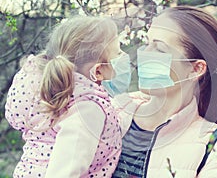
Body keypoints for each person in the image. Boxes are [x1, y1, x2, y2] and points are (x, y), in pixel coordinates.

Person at [112, 6, 217, 178]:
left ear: (196, 69)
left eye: (159, 49)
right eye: (147, 44)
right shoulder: (113, 111)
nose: (145, 53)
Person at [5, 16, 131, 177]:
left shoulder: (55, 92)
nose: (124, 56)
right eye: (118, 52)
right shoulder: (87, 110)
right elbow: (66, 171)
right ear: (98, 71)